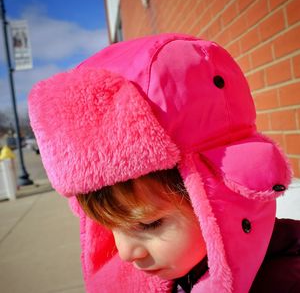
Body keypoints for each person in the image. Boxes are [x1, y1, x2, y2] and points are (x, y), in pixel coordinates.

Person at [28, 33, 300, 293]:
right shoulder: (179, 269)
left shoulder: (285, 281)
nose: (125, 253)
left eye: (148, 224)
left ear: (221, 196)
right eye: (109, 225)